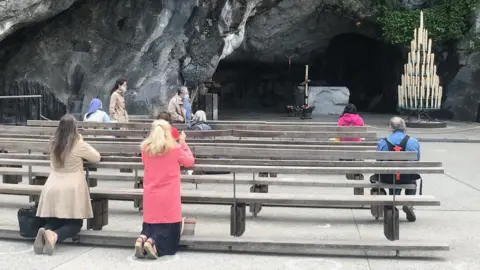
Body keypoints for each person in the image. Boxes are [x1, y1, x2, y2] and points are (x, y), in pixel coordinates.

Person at [34, 114, 101, 255]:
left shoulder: (53, 143)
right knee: (75, 224)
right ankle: (53, 236)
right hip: (71, 189)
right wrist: (81, 139)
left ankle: (45, 232)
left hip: (52, 186)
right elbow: (96, 157)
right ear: (74, 128)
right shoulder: (78, 144)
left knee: (54, 221)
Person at [134, 120, 195, 259]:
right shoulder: (174, 149)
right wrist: (183, 143)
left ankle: (143, 238)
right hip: (168, 195)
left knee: (151, 224)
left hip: (151, 193)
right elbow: (189, 161)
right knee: (168, 229)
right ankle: (153, 242)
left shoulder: (145, 149)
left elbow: (146, 162)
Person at [374, 116, 420, 222]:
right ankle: (408, 202)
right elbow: (417, 160)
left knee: (390, 174)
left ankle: (392, 204)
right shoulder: (413, 141)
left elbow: (378, 161)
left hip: (388, 177)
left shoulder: (383, 142)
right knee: (412, 178)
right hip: (406, 177)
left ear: (390, 127)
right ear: (404, 127)